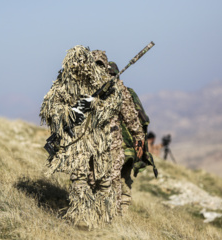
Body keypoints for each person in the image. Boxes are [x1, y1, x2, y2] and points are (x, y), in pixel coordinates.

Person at [40, 46, 145, 228]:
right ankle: (85, 219)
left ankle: (108, 222)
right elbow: (51, 109)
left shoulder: (111, 84)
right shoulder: (68, 84)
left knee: (107, 182)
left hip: (107, 143)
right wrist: (70, 114)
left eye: (100, 65)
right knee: (83, 180)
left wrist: (137, 134)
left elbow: (126, 110)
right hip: (80, 143)